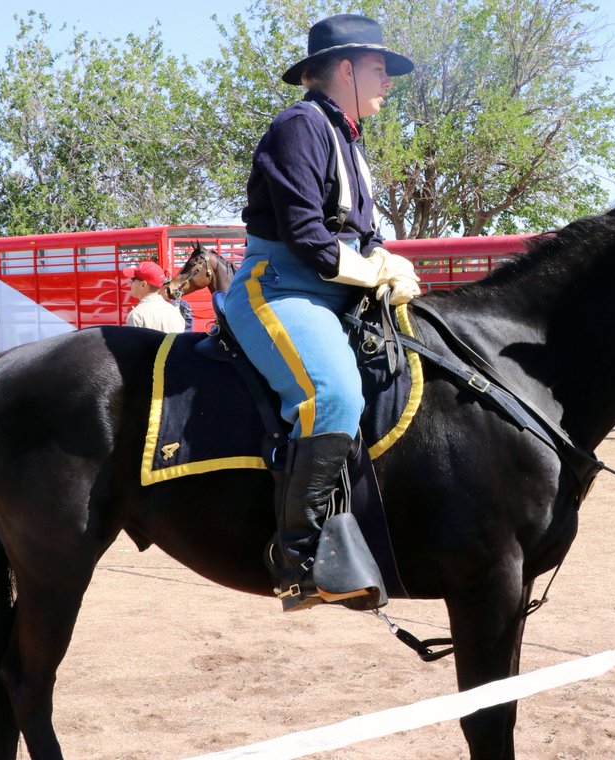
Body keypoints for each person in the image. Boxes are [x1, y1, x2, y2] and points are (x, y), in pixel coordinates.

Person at [223, 14, 421, 612]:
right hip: (282, 288)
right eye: (379, 69)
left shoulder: (350, 139)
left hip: (338, 290)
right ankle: (299, 557)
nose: (387, 80)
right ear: (344, 69)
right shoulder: (298, 126)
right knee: (334, 395)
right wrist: (373, 269)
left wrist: (390, 261)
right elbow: (308, 239)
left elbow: (363, 233)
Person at [122, 260, 186, 333]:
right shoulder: (175, 312)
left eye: (133, 280)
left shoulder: (137, 315)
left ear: (143, 284)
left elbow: (132, 344)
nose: (130, 283)